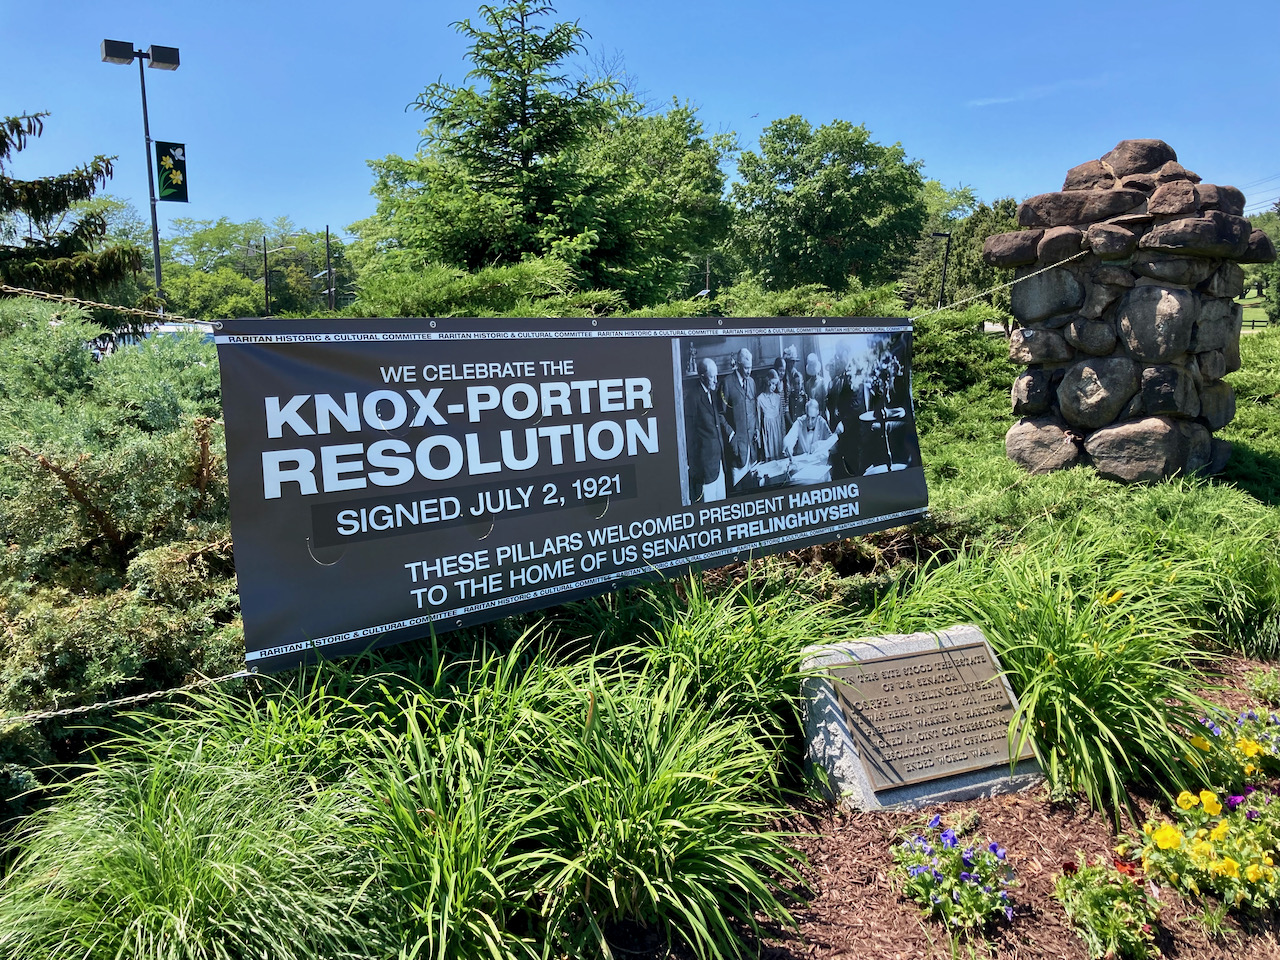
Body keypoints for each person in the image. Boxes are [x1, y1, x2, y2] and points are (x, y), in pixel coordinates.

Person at [684, 357, 729, 503]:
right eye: (712, 377)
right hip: (705, 467)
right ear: (702, 376)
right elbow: (689, 436)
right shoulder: (693, 398)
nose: (716, 380)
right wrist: (695, 468)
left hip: (718, 464)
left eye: (716, 376)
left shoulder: (712, 393)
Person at [720, 347, 757, 472]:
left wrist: (755, 428)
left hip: (752, 449)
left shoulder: (752, 382)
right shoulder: (727, 383)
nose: (749, 371)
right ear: (739, 365)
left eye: (750, 367)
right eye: (746, 368)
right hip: (736, 449)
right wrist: (731, 436)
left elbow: (753, 409)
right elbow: (720, 414)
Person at [756, 369, 786, 461]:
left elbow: (782, 419)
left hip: (778, 435)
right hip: (768, 436)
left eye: (775, 384)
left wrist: (784, 436)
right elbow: (758, 422)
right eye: (772, 383)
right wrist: (760, 442)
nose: (774, 387)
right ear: (767, 381)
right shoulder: (760, 399)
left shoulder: (777, 398)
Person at [782, 345, 807, 425]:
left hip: (794, 407)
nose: (790, 364)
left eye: (793, 362)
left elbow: (802, 393)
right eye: (789, 362)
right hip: (785, 407)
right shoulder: (783, 375)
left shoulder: (797, 375)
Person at [805, 352, 828, 418]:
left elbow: (825, 398)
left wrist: (822, 411)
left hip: (821, 412)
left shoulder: (822, 381)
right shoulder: (808, 384)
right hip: (812, 413)